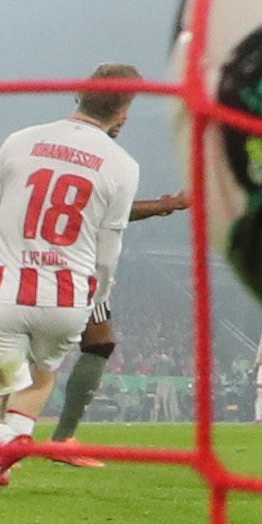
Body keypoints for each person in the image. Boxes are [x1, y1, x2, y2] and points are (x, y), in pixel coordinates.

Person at [0, 67, 147, 496]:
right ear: (124, 112)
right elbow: (108, 249)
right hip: (67, 303)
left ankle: (4, 442)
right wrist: (97, 295)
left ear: (79, 92)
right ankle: (6, 459)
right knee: (41, 376)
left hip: (6, 293)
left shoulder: (20, 140)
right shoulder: (123, 164)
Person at [43, 187, 193, 459]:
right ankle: (60, 439)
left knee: (31, 347)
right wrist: (169, 204)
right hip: (76, 272)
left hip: (34, 265)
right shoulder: (101, 171)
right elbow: (115, 212)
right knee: (97, 343)